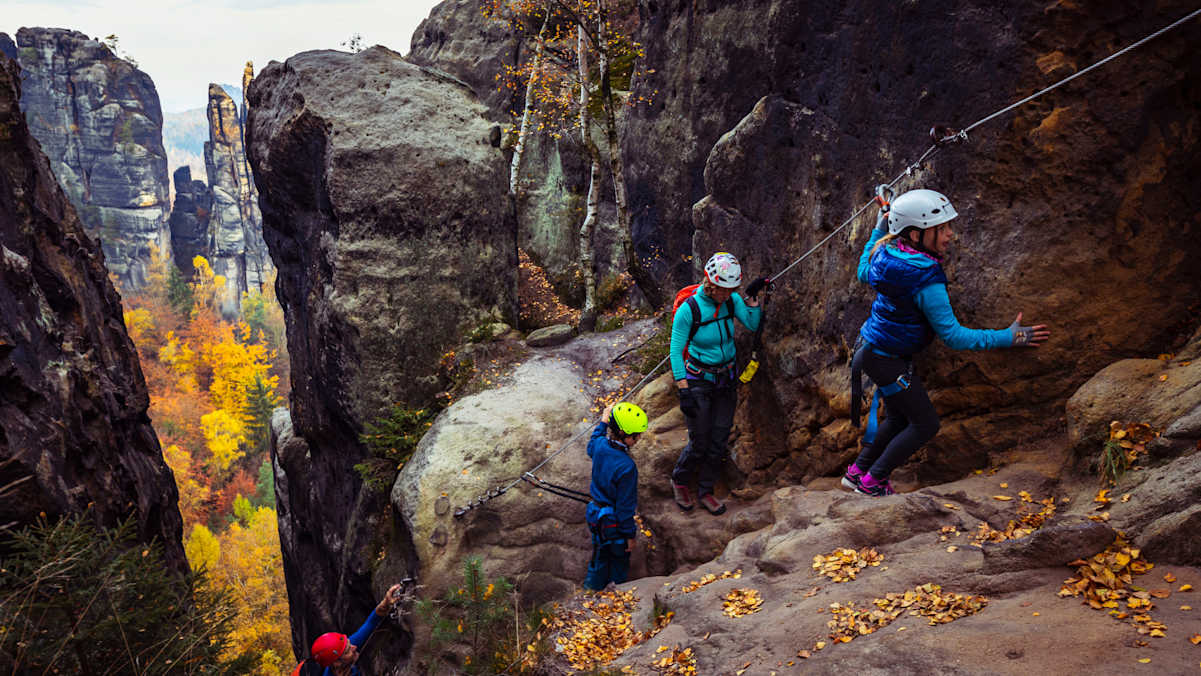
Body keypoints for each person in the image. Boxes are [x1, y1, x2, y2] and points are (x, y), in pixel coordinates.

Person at [846, 187, 1050, 496]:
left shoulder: (884, 252)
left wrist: (880, 227)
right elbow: (954, 336)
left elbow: (863, 272)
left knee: (901, 417)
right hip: (886, 359)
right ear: (915, 235)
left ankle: (856, 472)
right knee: (926, 424)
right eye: (941, 229)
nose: (949, 235)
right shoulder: (926, 278)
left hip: (872, 352)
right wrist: (1007, 337)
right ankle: (872, 482)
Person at [669, 252, 767, 515]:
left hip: (726, 379)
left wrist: (752, 299)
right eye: (723, 290)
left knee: (719, 438)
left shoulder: (732, 300)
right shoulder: (689, 310)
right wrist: (684, 390)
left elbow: (751, 323)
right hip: (699, 379)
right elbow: (676, 351)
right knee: (700, 439)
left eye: (730, 290)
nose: (727, 295)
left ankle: (705, 490)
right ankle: (680, 480)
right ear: (710, 283)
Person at [584, 401, 648, 590]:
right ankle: (618, 592)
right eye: (636, 436)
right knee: (619, 557)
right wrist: (630, 535)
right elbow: (625, 507)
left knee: (599, 554)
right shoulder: (627, 467)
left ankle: (591, 590)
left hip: (595, 515)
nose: (638, 439)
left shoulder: (600, 445)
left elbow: (592, 443)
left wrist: (603, 421)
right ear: (623, 434)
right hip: (614, 523)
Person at [300, 583, 404, 676]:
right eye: (347, 650)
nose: (354, 647)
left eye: (349, 643)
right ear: (337, 663)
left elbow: (370, 624)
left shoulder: (341, 652)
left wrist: (385, 603)